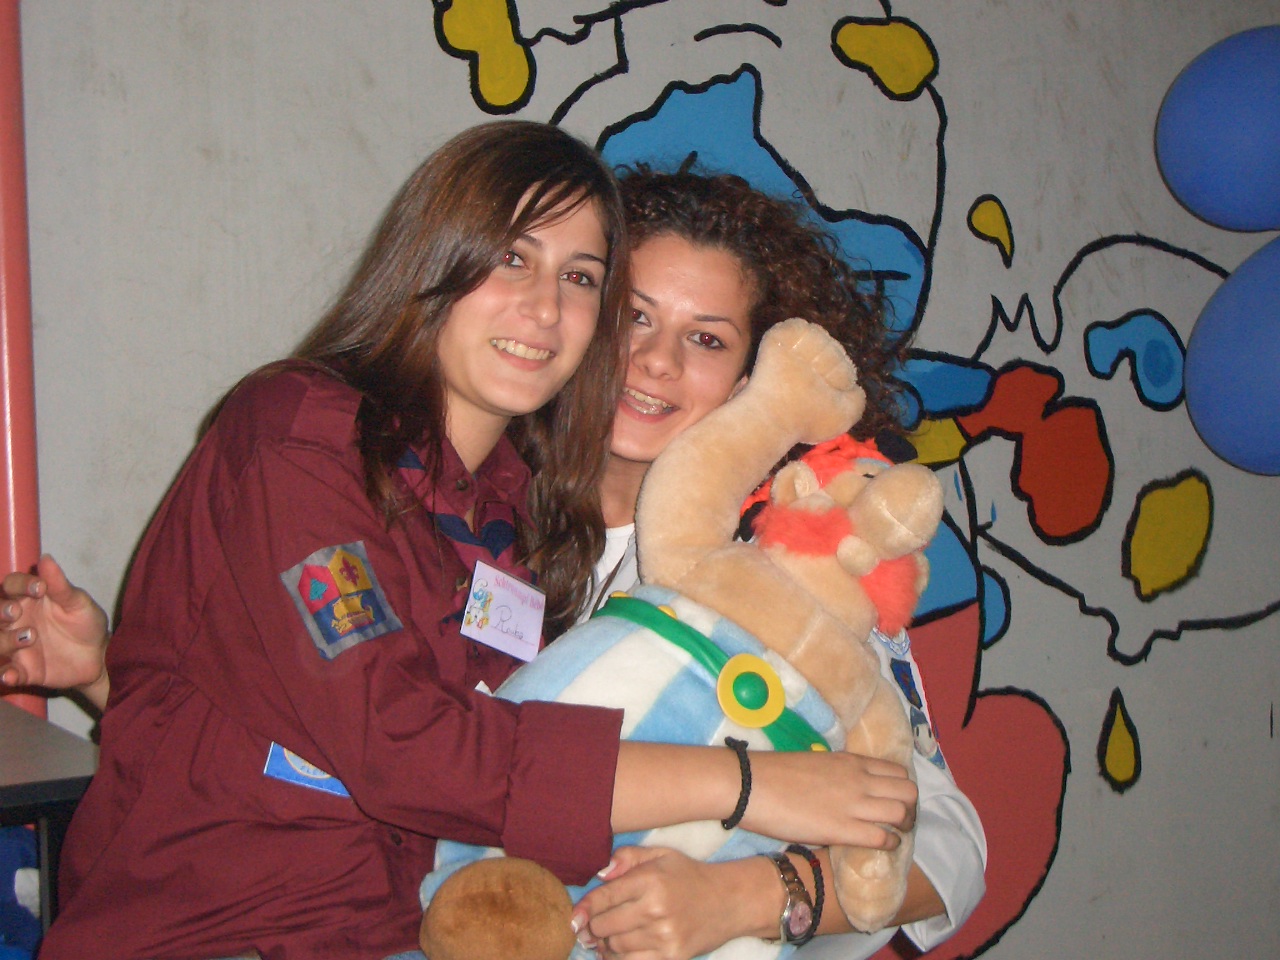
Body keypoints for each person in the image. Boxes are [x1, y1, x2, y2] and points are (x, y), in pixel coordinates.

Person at [1, 162, 982, 960]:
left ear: (755, 379)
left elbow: (947, 841)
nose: (655, 361)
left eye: (707, 339)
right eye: (633, 314)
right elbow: (391, 741)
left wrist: (750, 897)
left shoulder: (787, 567)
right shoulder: (484, 508)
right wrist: (134, 671)